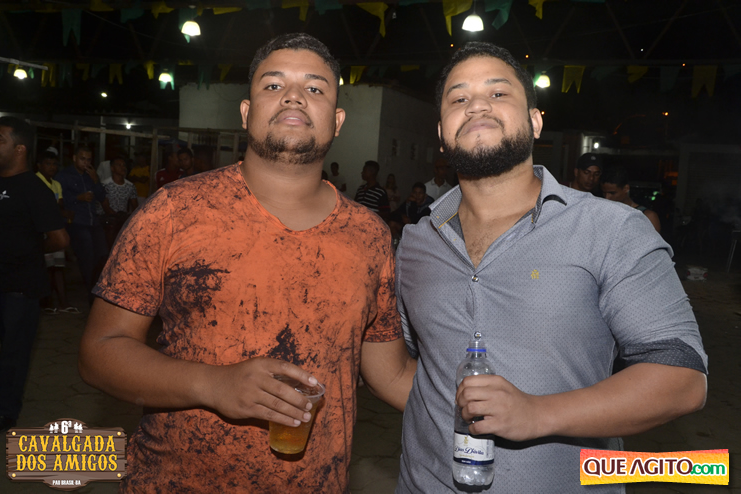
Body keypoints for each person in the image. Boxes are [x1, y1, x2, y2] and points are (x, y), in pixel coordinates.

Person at [78, 33, 415, 493]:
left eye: (314, 88)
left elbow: (391, 374)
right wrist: (212, 385)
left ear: (337, 122)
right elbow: (100, 351)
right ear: (246, 112)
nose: (293, 96)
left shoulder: (369, 236)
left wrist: (486, 402)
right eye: (273, 85)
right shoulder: (175, 210)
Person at [395, 42, 707, 493]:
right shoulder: (416, 242)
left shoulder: (611, 229)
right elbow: (404, 366)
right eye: (458, 98)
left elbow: (682, 378)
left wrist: (537, 414)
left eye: (498, 93)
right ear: (442, 133)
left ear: (536, 122)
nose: (477, 105)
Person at [0, 117, 69, 431]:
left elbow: (59, 239)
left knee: (13, 353)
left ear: (20, 149)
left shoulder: (34, 189)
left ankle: (5, 411)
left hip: (19, 287)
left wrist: (26, 251)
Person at [57, 144, 108, 302]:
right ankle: (92, 295)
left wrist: (96, 180)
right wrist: (77, 198)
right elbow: (57, 200)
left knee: (103, 255)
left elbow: (101, 197)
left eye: (88, 159)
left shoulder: (90, 175)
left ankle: (98, 290)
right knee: (87, 257)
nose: (86, 162)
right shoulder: (64, 176)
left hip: (93, 221)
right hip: (76, 222)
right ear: (74, 158)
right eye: (82, 159)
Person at [35, 150, 74, 314]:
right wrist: (60, 212)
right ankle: (47, 303)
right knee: (47, 267)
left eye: (54, 164)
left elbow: (59, 205)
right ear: (39, 166)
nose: (52, 167)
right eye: (48, 164)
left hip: (54, 228)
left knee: (57, 266)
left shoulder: (56, 184)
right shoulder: (35, 182)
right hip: (42, 230)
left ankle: (62, 304)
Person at [601, 166, 661, 232]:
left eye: (612, 193)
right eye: (604, 193)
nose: (607, 197)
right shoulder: (602, 213)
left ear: (626, 189)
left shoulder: (648, 216)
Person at [101, 156, 138, 247]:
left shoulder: (130, 186)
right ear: (112, 168)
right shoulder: (105, 184)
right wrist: (116, 217)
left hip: (122, 218)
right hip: (108, 219)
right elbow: (105, 206)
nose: (123, 167)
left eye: (124, 165)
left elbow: (135, 206)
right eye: (119, 165)